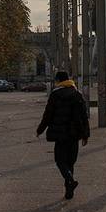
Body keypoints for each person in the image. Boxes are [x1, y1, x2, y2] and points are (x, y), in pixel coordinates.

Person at [35, 71, 90, 199]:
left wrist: (40, 130)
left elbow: (47, 115)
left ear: (58, 81)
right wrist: (85, 135)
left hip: (60, 135)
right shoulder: (77, 94)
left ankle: (69, 180)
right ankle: (69, 190)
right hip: (74, 134)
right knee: (70, 162)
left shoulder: (55, 95)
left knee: (60, 160)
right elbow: (84, 117)